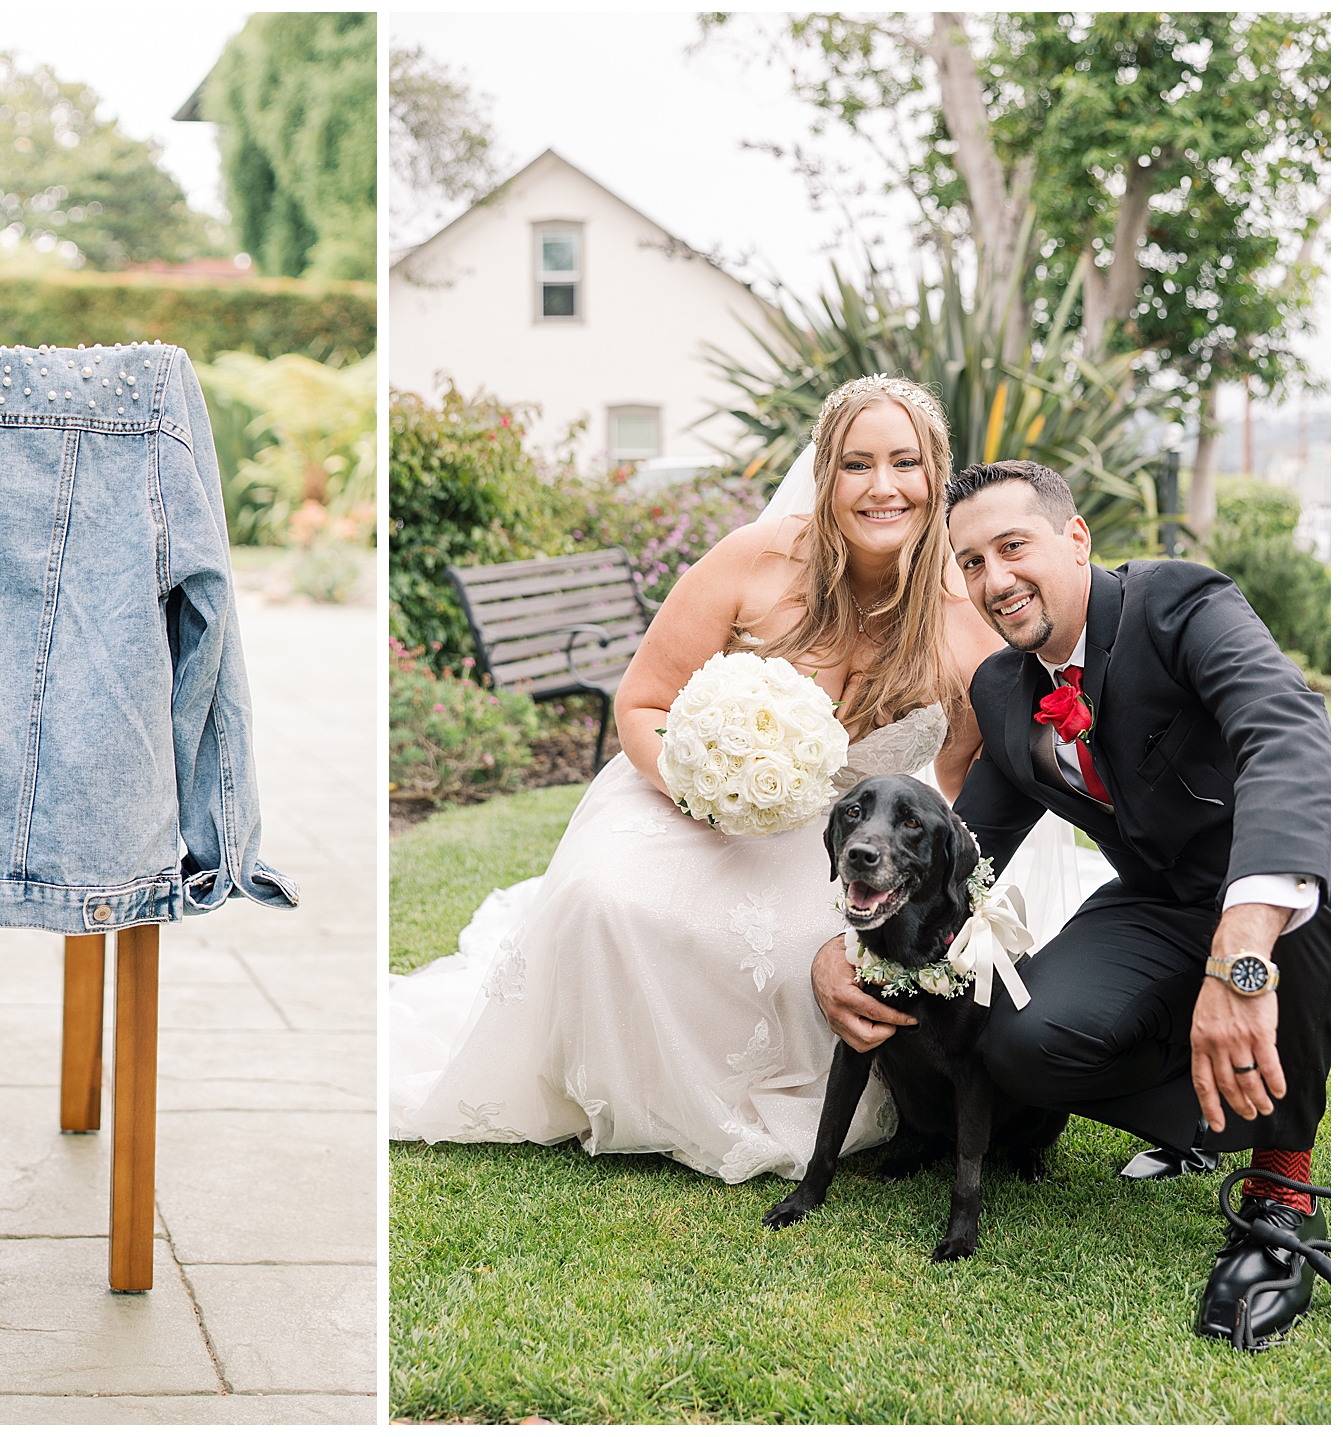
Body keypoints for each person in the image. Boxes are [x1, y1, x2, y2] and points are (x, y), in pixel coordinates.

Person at [390, 375, 1065, 1180]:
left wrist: (886, 915)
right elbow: (642, 703)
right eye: (856, 465)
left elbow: (960, 803)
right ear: (824, 474)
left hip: (839, 844)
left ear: (936, 475)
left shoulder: (964, 626)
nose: (882, 487)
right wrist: (703, 785)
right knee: (601, 901)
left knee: (794, 950)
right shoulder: (757, 560)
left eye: (904, 463)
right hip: (686, 800)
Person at [812, 458, 1330, 1348]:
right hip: (1157, 902)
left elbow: (1286, 731)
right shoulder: (1004, 691)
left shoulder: (1182, 605)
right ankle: (1201, 1115)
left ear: (1075, 538)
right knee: (1020, 1042)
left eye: (1013, 547)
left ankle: (1279, 1192)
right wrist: (853, 944)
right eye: (971, 562)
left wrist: (1240, 949)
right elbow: (962, 857)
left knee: (1293, 911)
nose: (995, 579)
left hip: (1270, 894)